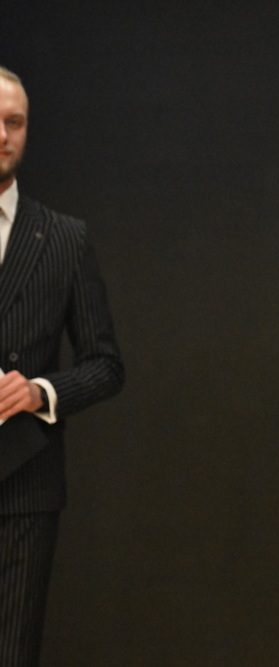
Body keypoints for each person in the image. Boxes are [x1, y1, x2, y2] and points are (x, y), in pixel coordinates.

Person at [0, 66, 124, 665]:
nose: (2, 134)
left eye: (14, 122)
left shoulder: (63, 238)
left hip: (24, 480)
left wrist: (38, 391)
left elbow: (105, 364)